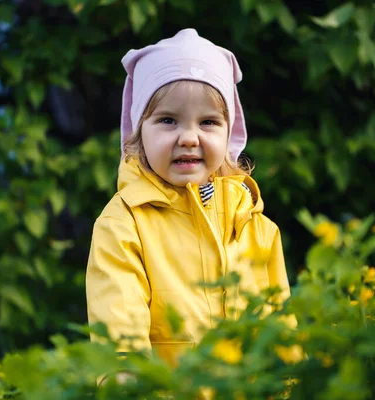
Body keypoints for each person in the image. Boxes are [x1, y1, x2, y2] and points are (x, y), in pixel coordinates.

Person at [86, 28, 292, 380]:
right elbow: (120, 352)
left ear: (229, 134)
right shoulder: (123, 225)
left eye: (209, 122)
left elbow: (283, 339)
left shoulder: (254, 224)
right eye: (168, 120)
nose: (189, 137)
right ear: (139, 133)